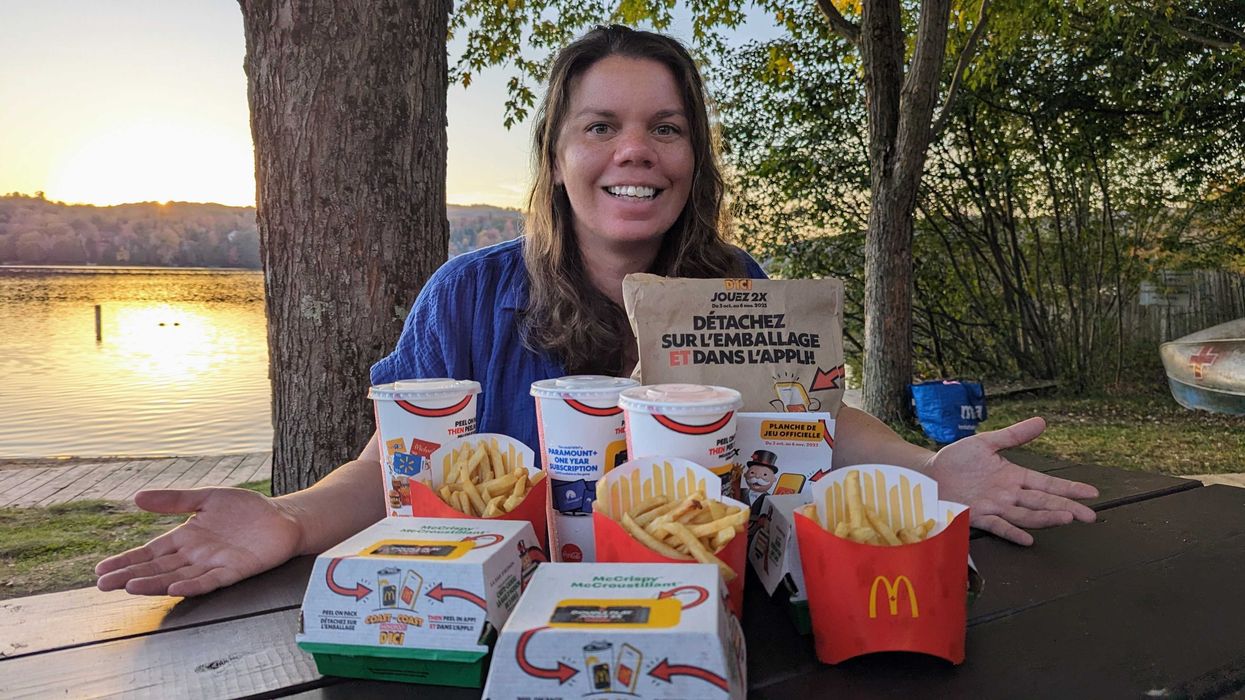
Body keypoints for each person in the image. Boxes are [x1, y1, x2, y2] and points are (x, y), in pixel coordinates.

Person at [95, 25, 1096, 599]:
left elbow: (814, 418)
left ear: (692, 157)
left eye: (665, 128)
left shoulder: (733, 284)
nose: (635, 151)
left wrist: (929, 468)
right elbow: (386, 467)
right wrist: (283, 521)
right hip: (505, 625)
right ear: (557, 156)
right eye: (601, 127)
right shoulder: (469, 295)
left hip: (703, 615)